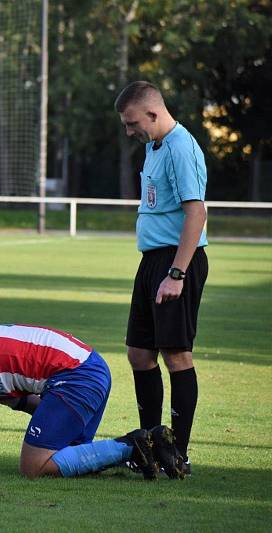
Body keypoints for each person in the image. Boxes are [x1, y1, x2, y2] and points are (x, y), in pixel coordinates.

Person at [0, 323, 185, 479]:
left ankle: (130, 447)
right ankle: (147, 447)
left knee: (32, 466)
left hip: (78, 375)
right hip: (89, 370)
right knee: (68, 459)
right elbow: (34, 406)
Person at [114, 81, 208, 474]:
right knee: (139, 353)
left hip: (175, 262)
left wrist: (176, 274)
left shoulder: (181, 148)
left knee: (176, 355)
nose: (129, 131)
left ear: (153, 113)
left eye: (133, 122)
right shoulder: (154, 147)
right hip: (153, 262)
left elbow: (196, 213)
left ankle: (177, 453)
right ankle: (152, 444)